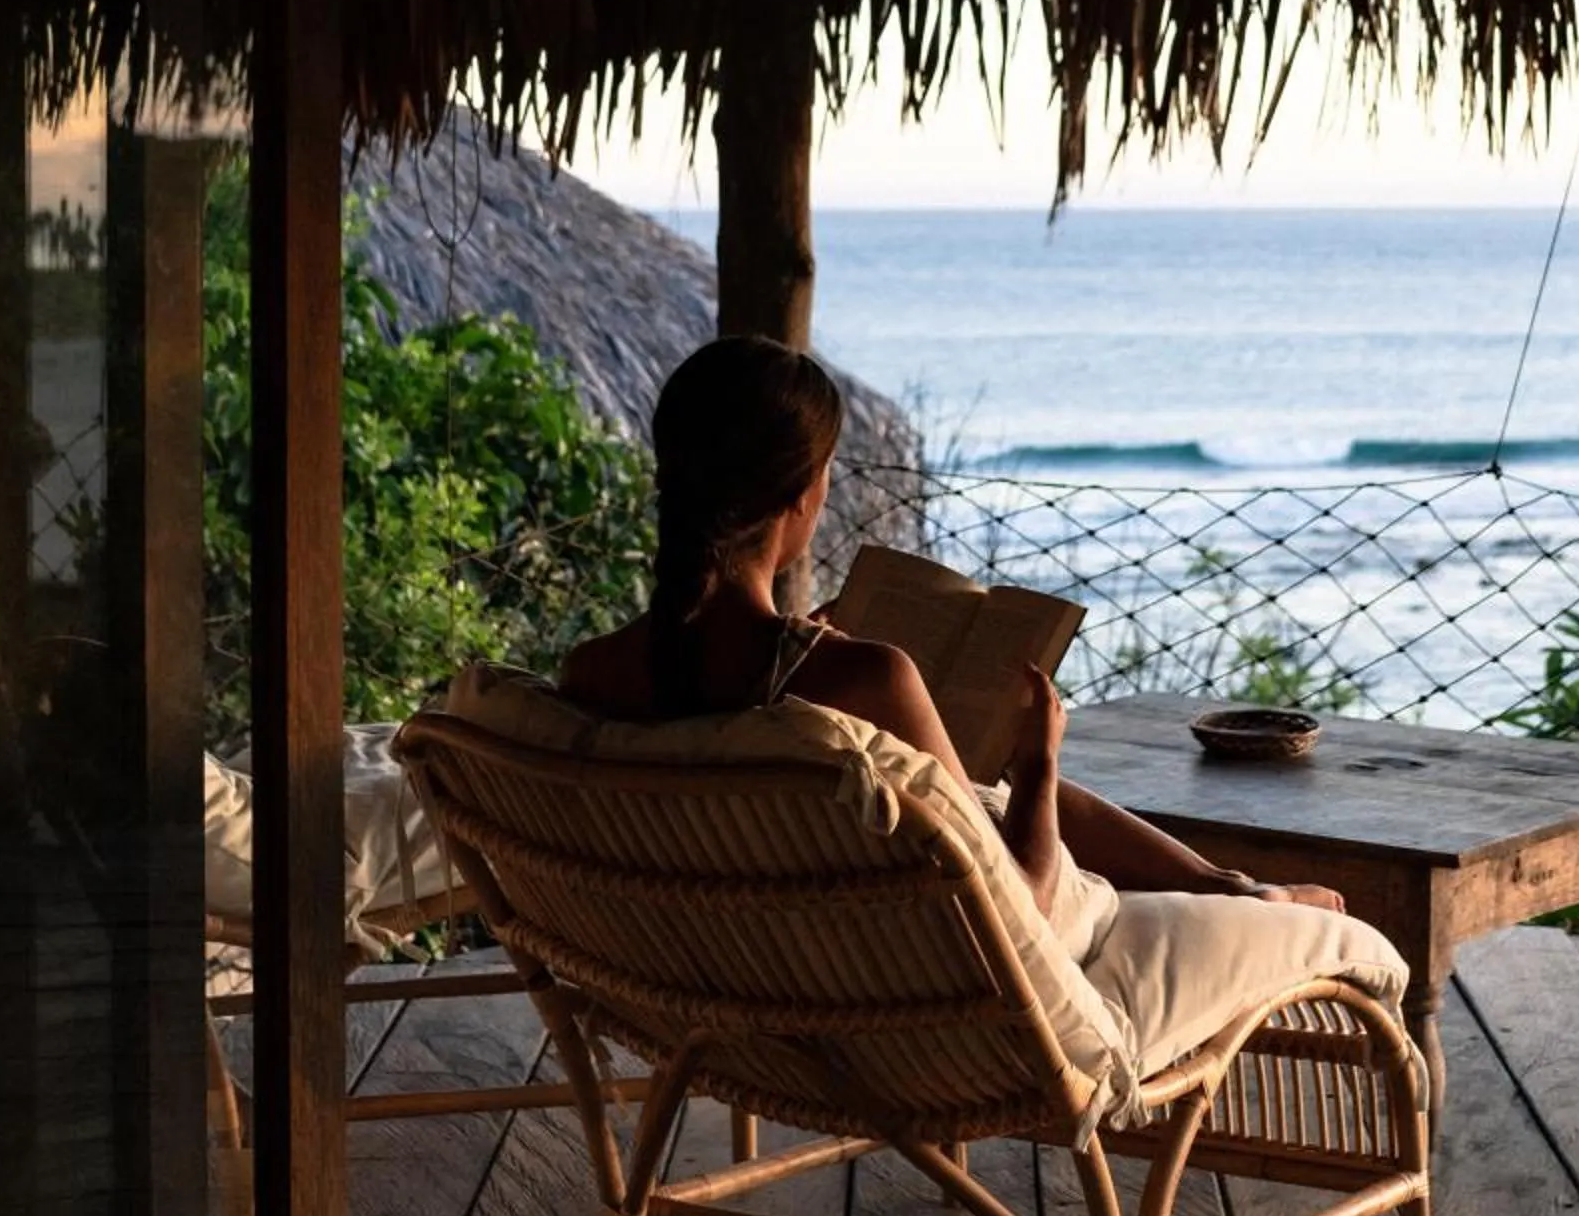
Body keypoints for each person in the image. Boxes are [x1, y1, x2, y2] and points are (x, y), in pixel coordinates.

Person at [560, 334, 1359, 927]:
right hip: (908, 982)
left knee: (970, 792)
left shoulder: (594, 674)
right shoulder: (864, 681)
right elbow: (1023, 910)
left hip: (738, 961)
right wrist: (1038, 760)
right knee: (1003, 787)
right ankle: (1251, 906)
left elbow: (721, 726)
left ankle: (1232, 886)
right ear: (802, 495)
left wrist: (794, 653)